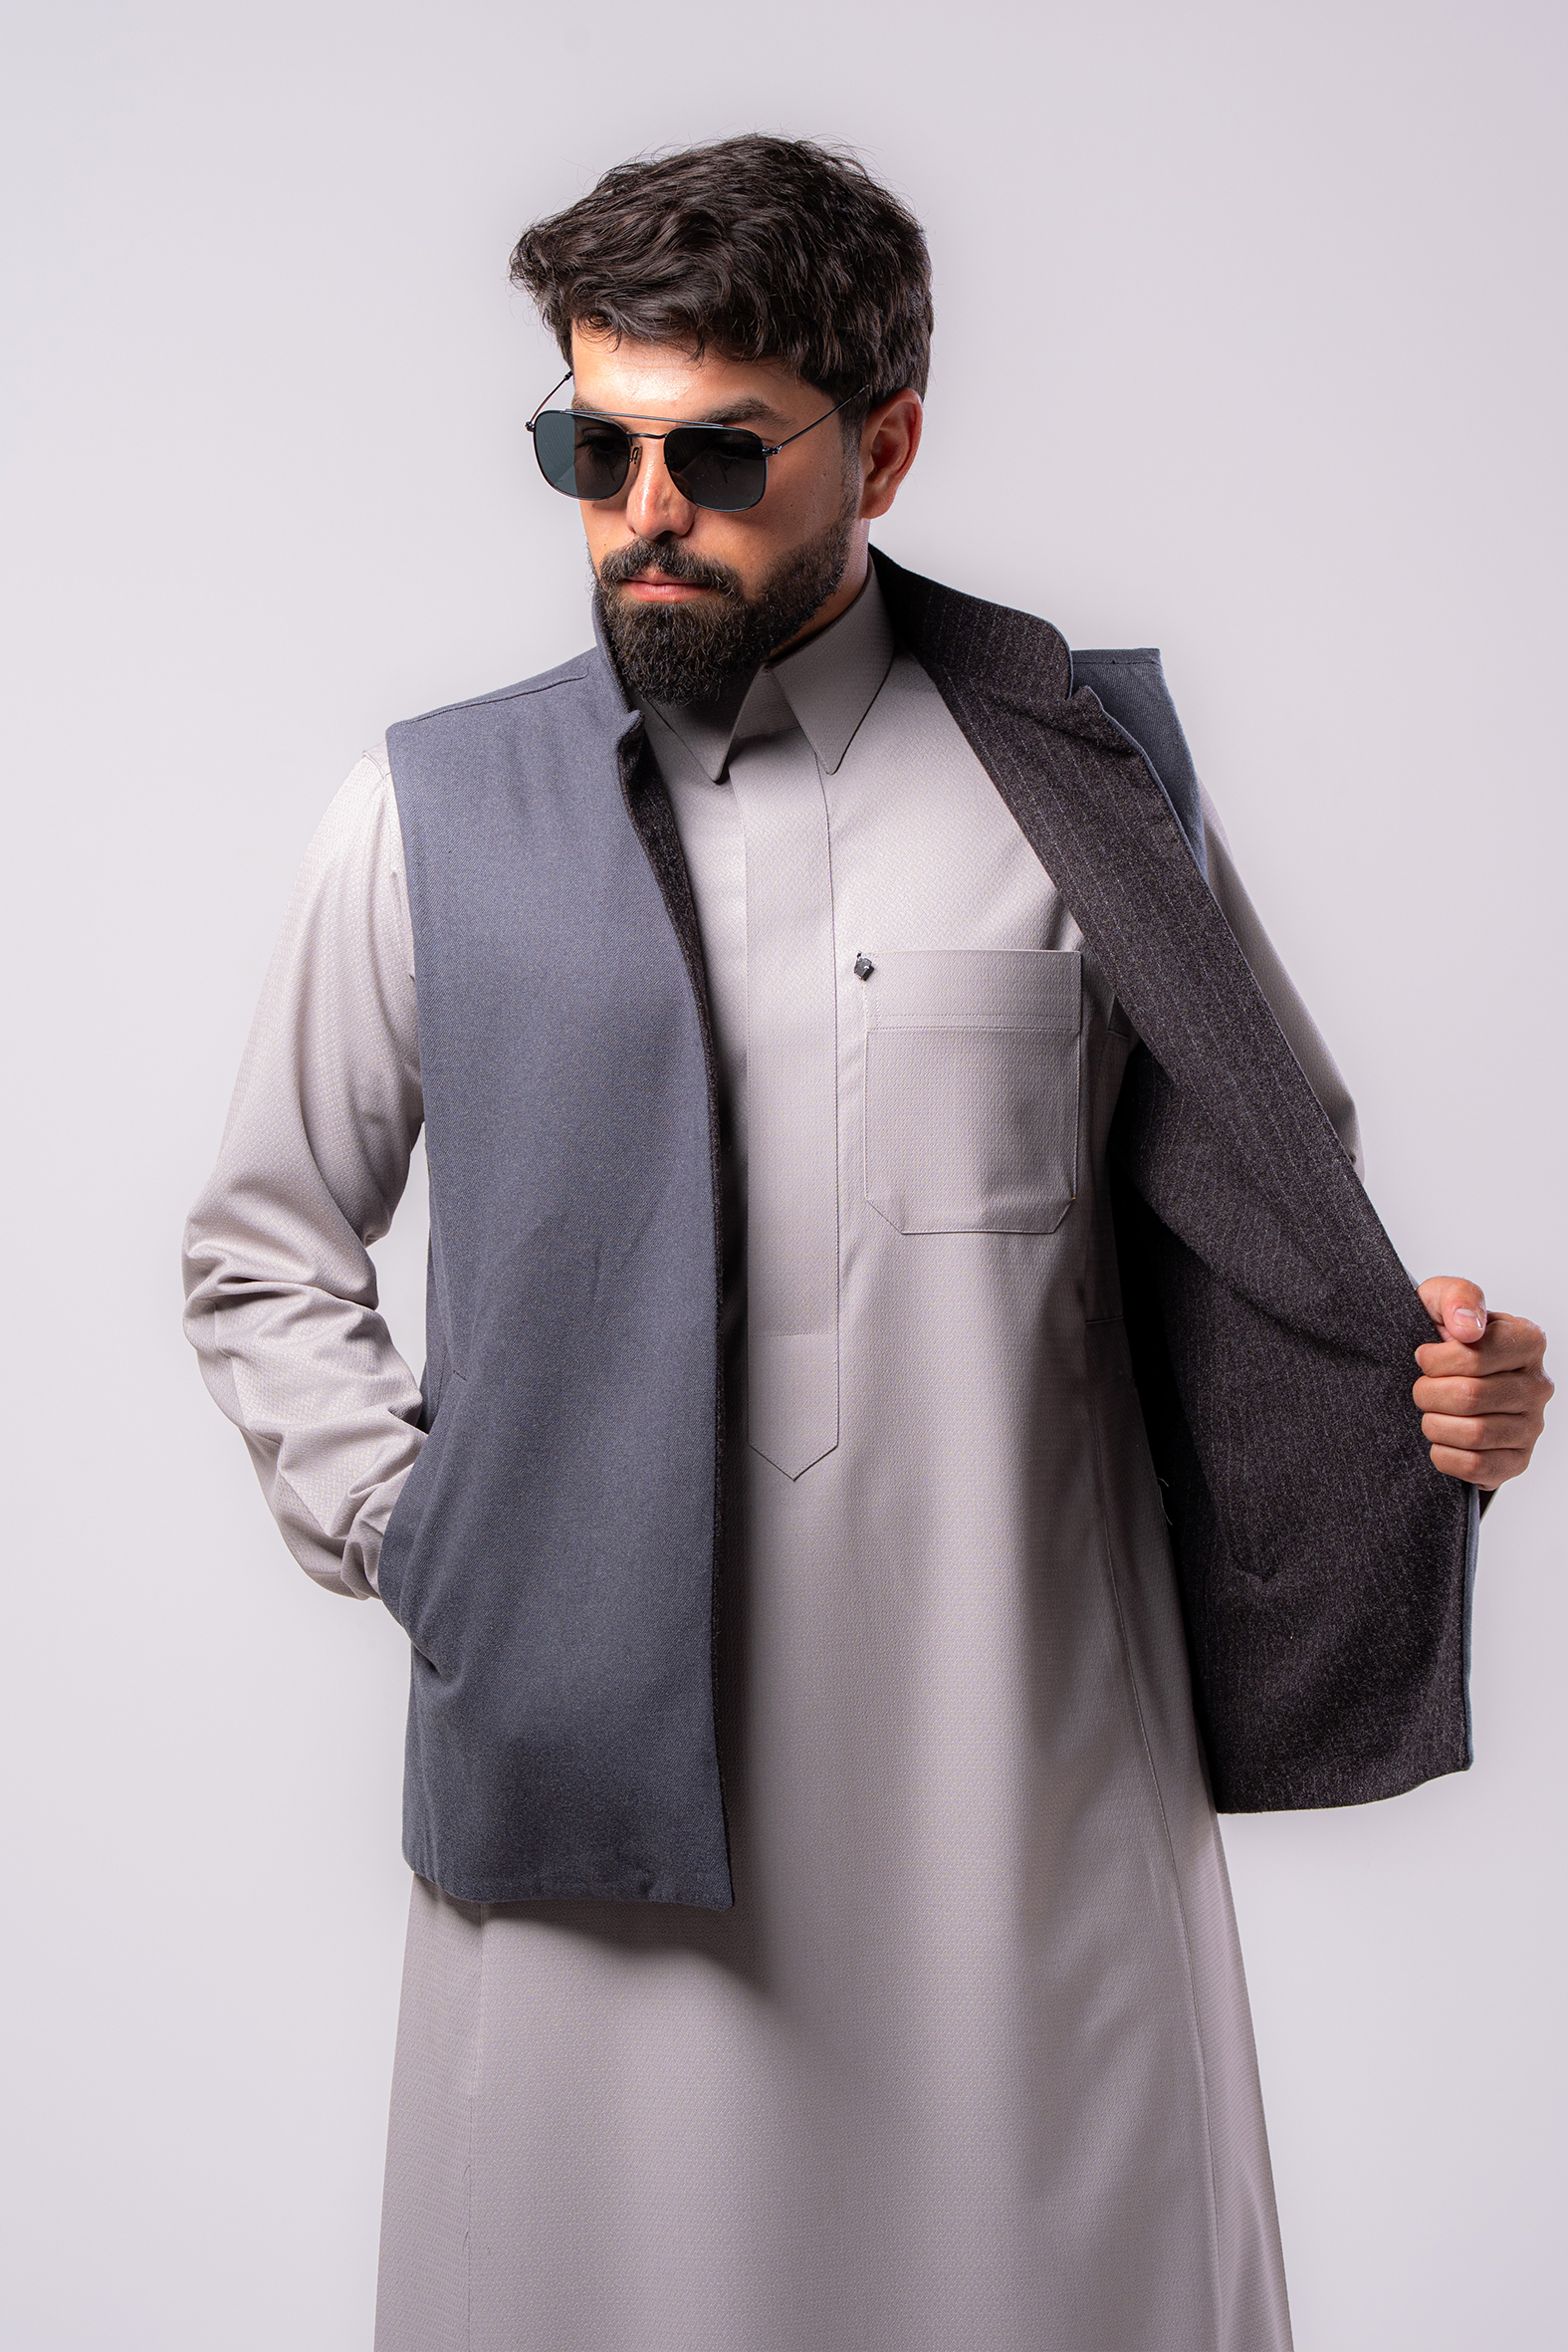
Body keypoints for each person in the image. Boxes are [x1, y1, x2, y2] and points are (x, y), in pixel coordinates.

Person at [182, 134, 1551, 2352]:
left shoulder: (1082, 793)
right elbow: (263, 1242)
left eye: (717, 454)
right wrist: (430, 1536)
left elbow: (1287, 1216)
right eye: (592, 450)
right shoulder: (428, 815)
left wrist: (1440, 1385)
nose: (643, 512)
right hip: (592, 1786)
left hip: (1025, 1780)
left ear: (884, 448)